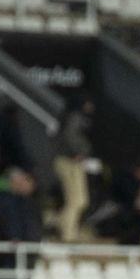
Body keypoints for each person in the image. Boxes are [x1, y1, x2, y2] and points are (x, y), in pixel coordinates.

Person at [52, 99, 91, 242]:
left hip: (71, 161)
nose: (90, 106)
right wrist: (77, 152)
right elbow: (70, 135)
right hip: (68, 161)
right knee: (75, 200)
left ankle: (62, 224)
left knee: (81, 200)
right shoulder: (74, 116)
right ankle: (68, 234)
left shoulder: (73, 116)